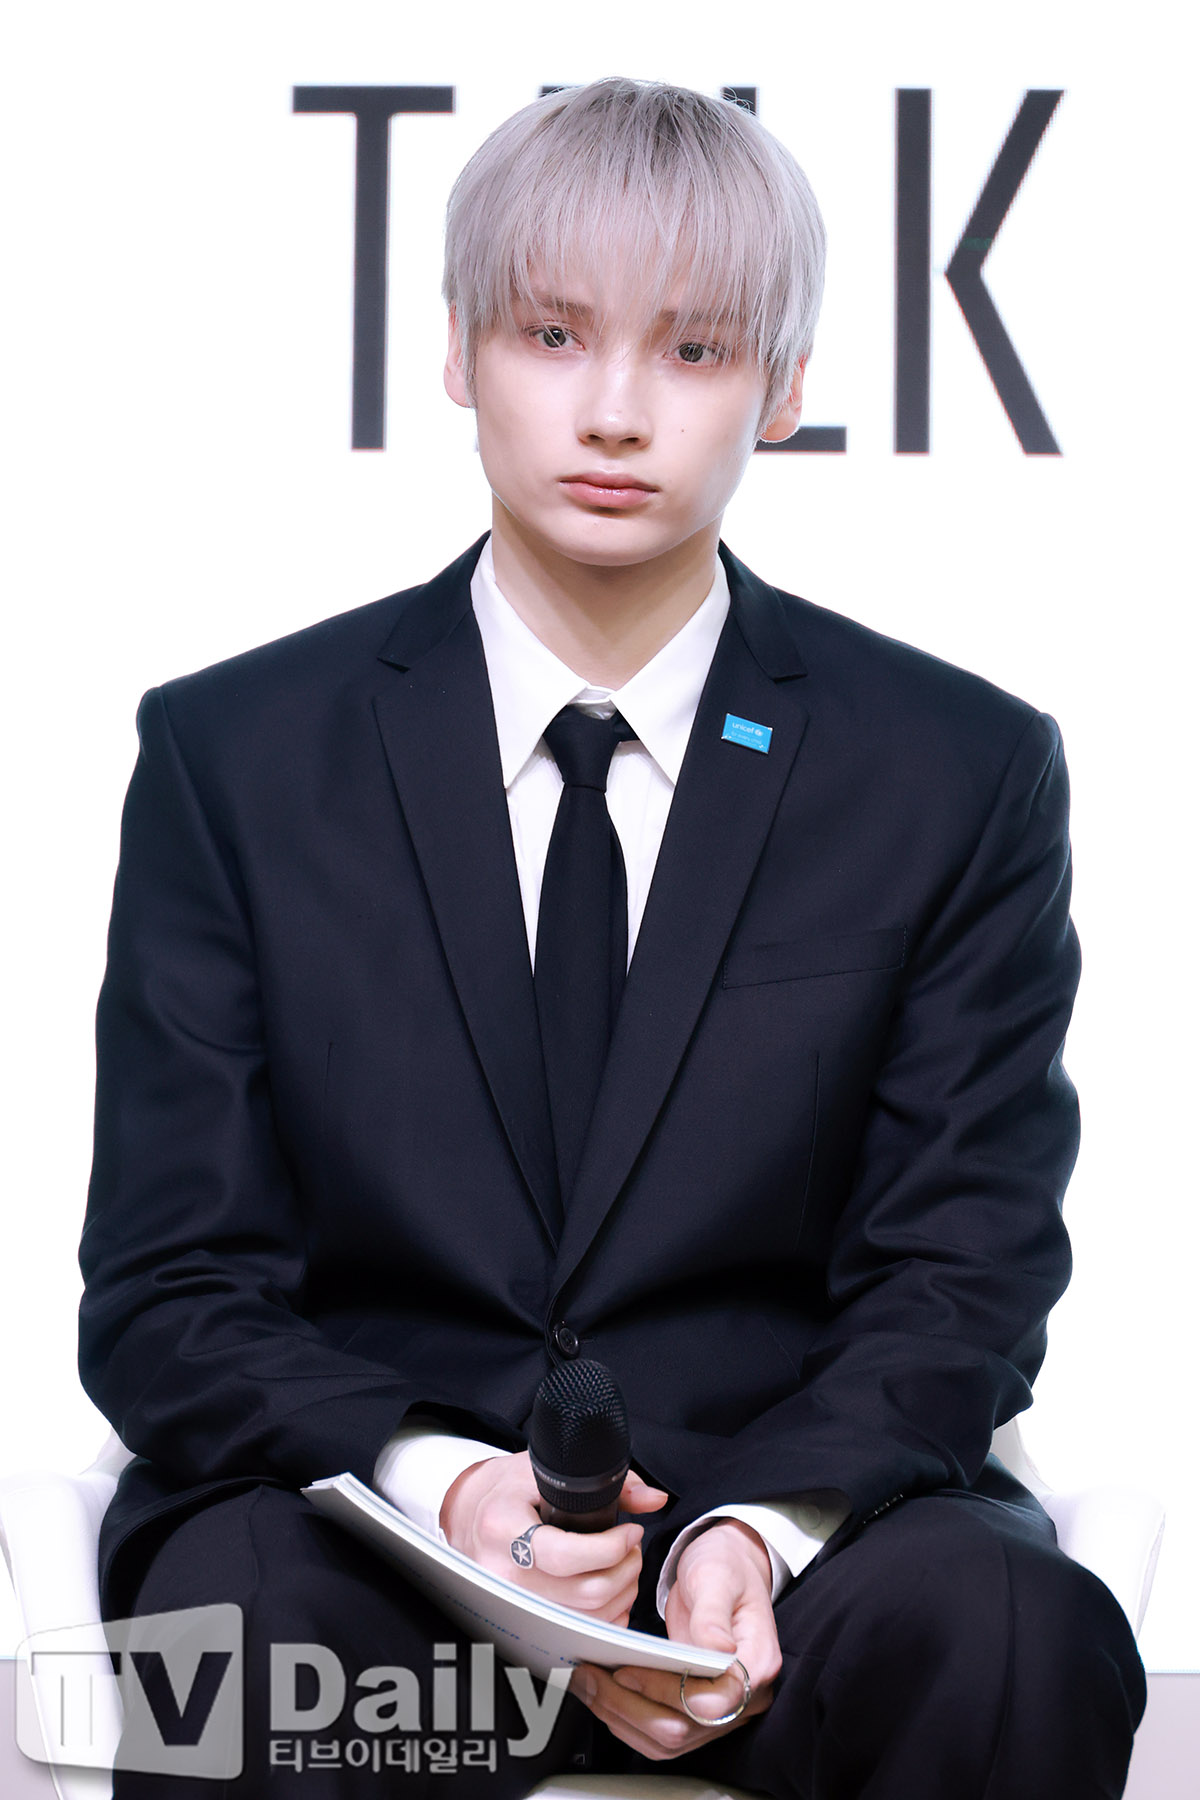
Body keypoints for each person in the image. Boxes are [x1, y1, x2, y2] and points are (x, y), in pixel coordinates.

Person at [79, 76, 1146, 1798]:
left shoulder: (955, 770)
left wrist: (757, 1531)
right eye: (554, 334)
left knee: (1012, 1630)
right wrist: (453, 1491)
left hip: (788, 1551)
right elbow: (168, 1288)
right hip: (369, 1539)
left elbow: (962, 1267)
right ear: (458, 349)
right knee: (236, 1642)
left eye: (696, 351)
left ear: (783, 387)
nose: (617, 412)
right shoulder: (236, 756)